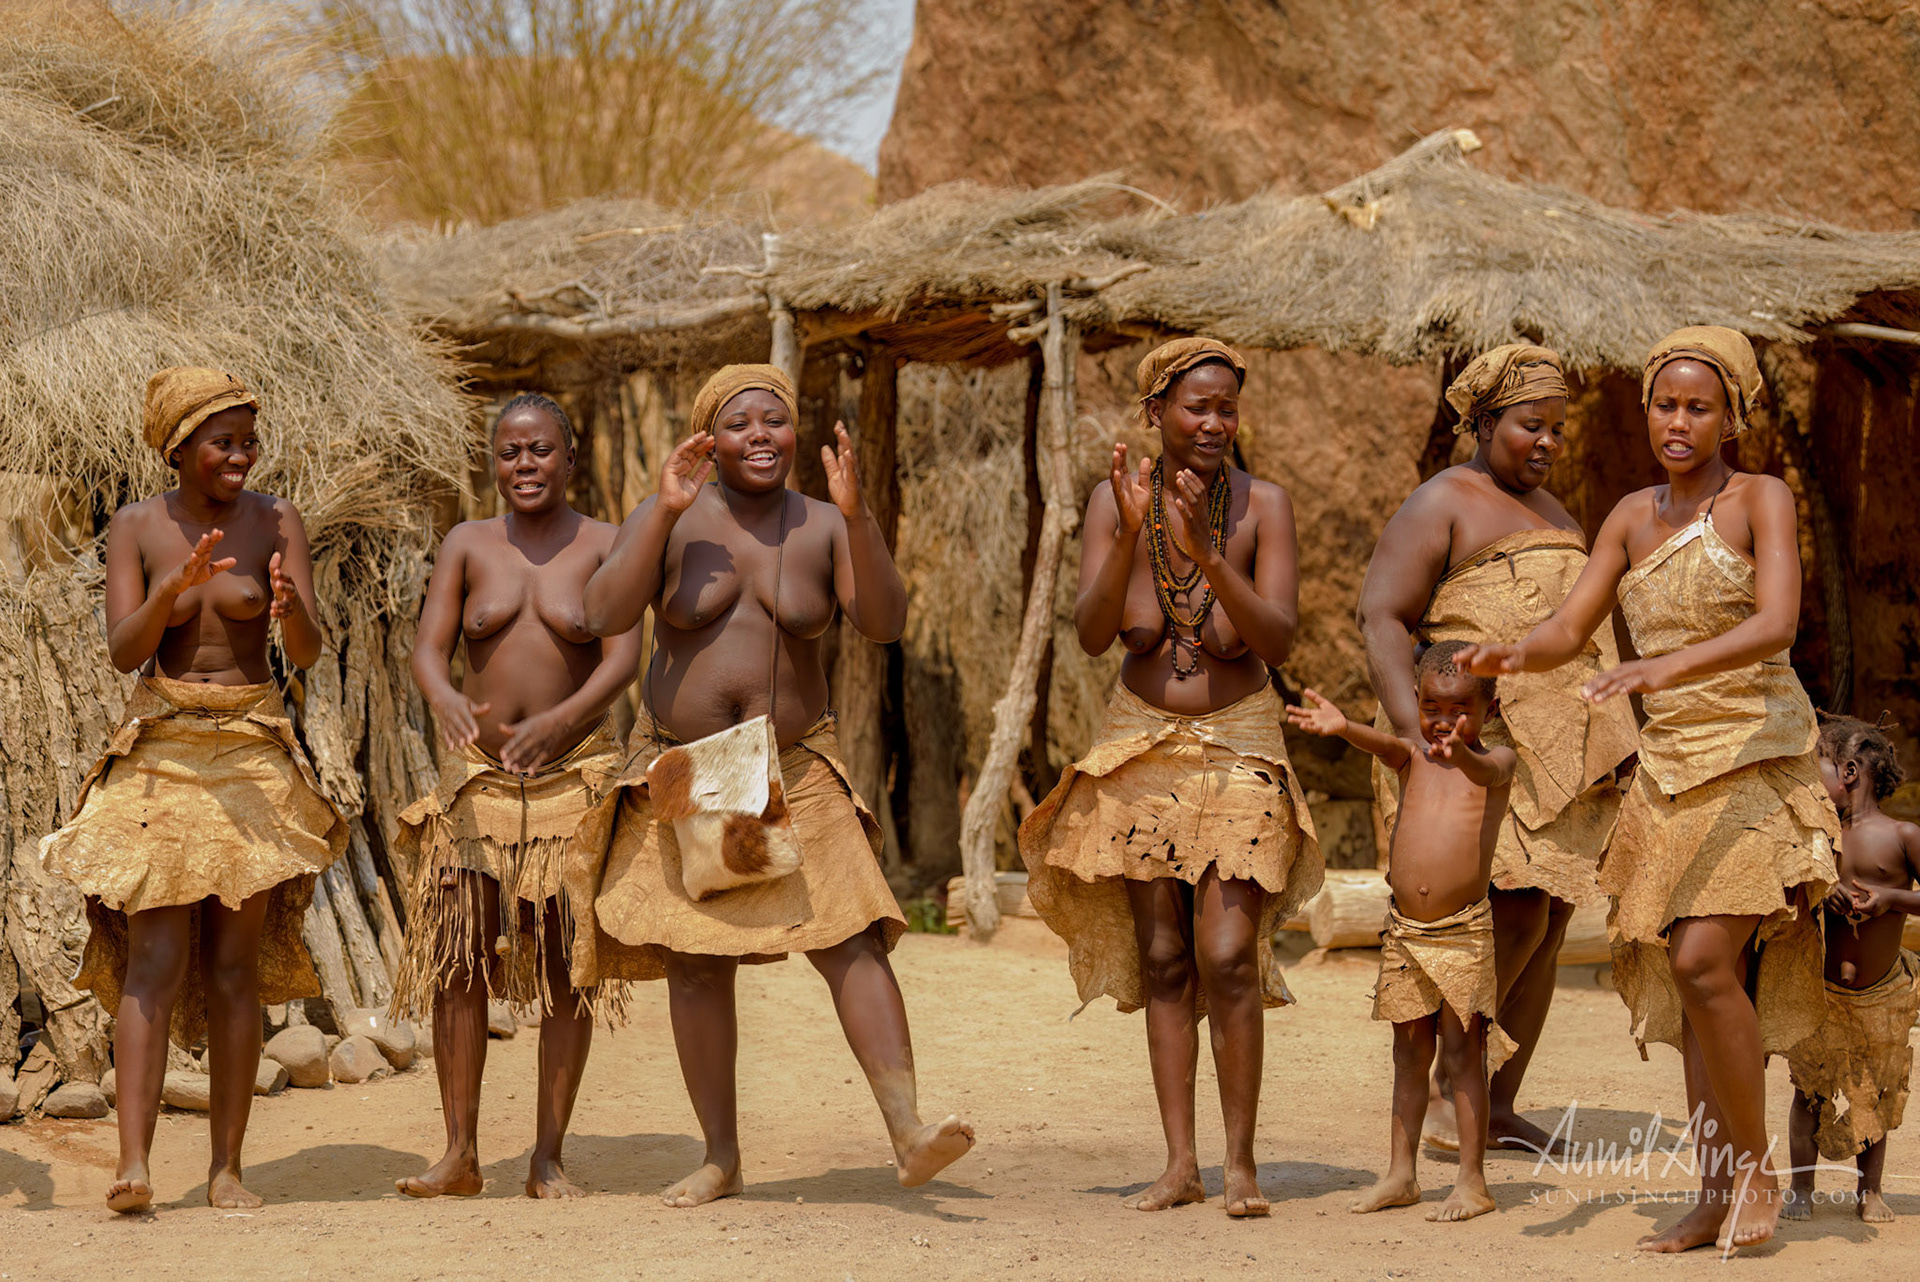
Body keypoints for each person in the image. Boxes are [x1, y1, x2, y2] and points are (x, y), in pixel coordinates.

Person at [1456, 326, 1840, 1252]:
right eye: (1665, 404)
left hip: (1756, 757)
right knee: (1693, 984)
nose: (1678, 420)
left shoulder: (1760, 500)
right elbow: (1570, 623)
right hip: (1671, 772)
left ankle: (1756, 1178)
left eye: (1698, 406)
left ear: (1731, 416)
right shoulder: (1630, 515)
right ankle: (1714, 1193)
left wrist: (1659, 673)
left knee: (1707, 963)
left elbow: (1778, 622)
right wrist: (1511, 653)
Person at [568, 363, 972, 1207]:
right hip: (692, 767)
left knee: (852, 936)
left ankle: (908, 1130)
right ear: (708, 437)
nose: (761, 436)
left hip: (797, 763)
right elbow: (602, 615)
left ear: (797, 435)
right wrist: (663, 511)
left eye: (776, 422)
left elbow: (886, 622)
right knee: (697, 965)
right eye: (741, 422)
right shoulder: (670, 517)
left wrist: (859, 517)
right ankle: (721, 1157)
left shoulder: (824, 526)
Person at [1018, 337, 1322, 1218]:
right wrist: (1129, 528)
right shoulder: (1114, 505)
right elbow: (1089, 632)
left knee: (1227, 956)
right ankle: (1180, 1163)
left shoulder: (1266, 506)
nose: (1216, 423)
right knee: (1162, 957)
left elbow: (1278, 639)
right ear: (1155, 415)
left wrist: (1207, 550)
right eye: (1197, 407)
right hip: (1141, 743)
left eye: (1227, 407)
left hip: (1239, 741)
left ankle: (1242, 1164)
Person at [42, 367, 345, 1213]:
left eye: (249, 438)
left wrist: (288, 611)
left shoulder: (278, 519)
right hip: (163, 747)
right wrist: (171, 592)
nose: (242, 455)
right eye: (224, 442)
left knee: (236, 966)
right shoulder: (137, 525)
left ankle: (227, 1170)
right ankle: (133, 1165)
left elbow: (310, 651)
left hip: (250, 749)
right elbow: (123, 651)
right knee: (157, 956)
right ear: (180, 449)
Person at [1356, 344, 1638, 1153]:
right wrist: (1418, 737)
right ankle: (1452, 1084)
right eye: (1528, 425)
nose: (1547, 442)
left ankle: (1501, 1100)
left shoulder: (1561, 518)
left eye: (1557, 427)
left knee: (1548, 920)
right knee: (1503, 914)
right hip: (1469, 743)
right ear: (1482, 423)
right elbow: (1382, 619)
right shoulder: (1444, 499)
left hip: (1559, 758)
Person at [392, 393, 642, 1200]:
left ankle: (547, 1158)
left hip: (576, 775)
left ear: (570, 459)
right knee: (458, 956)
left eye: (540, 451)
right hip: (480, 781)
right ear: (492, 463)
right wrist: (446, 700)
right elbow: (430, 650)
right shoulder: (468, 543)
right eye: (508, 452)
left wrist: (565, 721)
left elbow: (621, 659)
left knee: (570, 967)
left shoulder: (608, 543)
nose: (524, 465)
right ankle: (460, 1153)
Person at [1288, 643, 1518, 1223]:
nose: (1444, 720)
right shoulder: (1413, 756)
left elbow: (1481, 768)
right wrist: (1343, 728)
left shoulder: (1497, 761)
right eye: (1432, 706)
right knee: (1408, 1053)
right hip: (1404, 932)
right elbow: (1389, 745)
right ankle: (1401, 1174)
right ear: (1415, 702)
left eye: (1460, 708)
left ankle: (1472, 1182)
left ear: (1489, 709)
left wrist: (1460, 749)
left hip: (1464, 933)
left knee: (1465, 1053)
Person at [1785, 716, 1920, 1223]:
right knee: (1809, 1091)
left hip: (1882, 993)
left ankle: (1871, 1192)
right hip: (1820, 991)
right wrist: (1821, 884)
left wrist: (1891, 899)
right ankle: (1802, 1189)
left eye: (1813, 769)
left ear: (1847, 770)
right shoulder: (1818, 837)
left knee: (1873, 1093)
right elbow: (1788, 891)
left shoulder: (1903, 835)